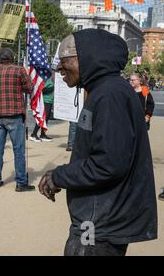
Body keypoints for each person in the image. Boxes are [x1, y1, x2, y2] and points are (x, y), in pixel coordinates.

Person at [38, 29, 157, 256]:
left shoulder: (110, 94)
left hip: (98, 224)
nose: (58, 68)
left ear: (87, 58)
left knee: (80, 250)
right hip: (99, 218)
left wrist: (58, 176)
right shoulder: (104, 90)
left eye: (64, 61)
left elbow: (107, 164)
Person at [0, 48, 35, 192]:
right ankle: (21, 182)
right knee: (18, 149)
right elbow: (29, 88)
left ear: (1, 59)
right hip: (14, 115)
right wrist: (21, 85)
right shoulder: (19, 70)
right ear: (12, 57)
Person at [30, 76, 55, 142]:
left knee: (46, 118)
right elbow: (40, 89)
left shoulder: (49, 79)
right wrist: (51, 87)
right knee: (42, 118)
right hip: (44, 101)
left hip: (49, 101)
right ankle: (33, 134)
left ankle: (43, 134)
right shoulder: (44, 78)